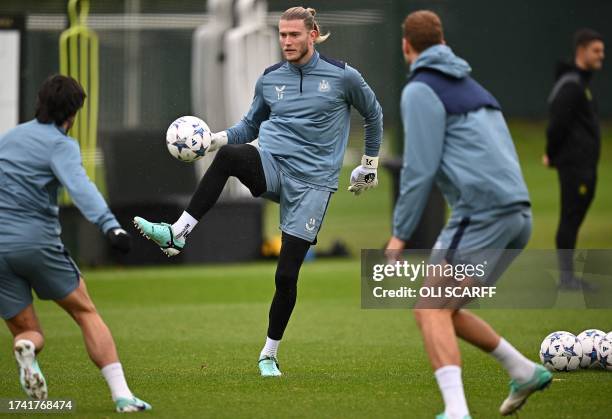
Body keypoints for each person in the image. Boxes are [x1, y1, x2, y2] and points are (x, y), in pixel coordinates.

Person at [134, 6, 383, 377]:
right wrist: (216, 139)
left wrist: (369, 165)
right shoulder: (269, 79)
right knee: (231, 156)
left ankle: (269, 354)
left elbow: (374, 114)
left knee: (285, 277)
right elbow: (249, 125)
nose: (287, 41)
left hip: (313, 185)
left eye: (294, 35)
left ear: (313, 35)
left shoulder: (343, 77)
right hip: (272, 163)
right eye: (282, 34)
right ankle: (178, 233)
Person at [385, 11, 551, 419]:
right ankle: (523, 370)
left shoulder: (421, 89)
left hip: (482, 214)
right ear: (442, 42)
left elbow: (419, 168)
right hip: (517, 216)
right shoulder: (474, 85)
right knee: (446, 309)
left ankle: (456, 410)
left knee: (429, 309)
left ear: (406, 46)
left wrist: (400, 234)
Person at [0, 75, 151, 413]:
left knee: (28, 331)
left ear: (39, 102)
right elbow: (81, 187)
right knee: (85, 312)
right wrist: (111, 228)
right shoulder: (60, 144)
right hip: (36, 243)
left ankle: (26, 350)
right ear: (73, 113)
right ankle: (122, 395)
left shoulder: (8, 139)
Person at [544, 28, 605, 290]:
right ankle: (567, 279)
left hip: (584, 164)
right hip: (575, 165)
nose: (601, 56)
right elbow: (557, 124)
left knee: (574, 216)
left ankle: (568, 277)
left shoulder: (580, 84)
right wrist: (552, 153)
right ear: (581, 51)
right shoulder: (571, 85)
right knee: (570, 216)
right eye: (596, 51)